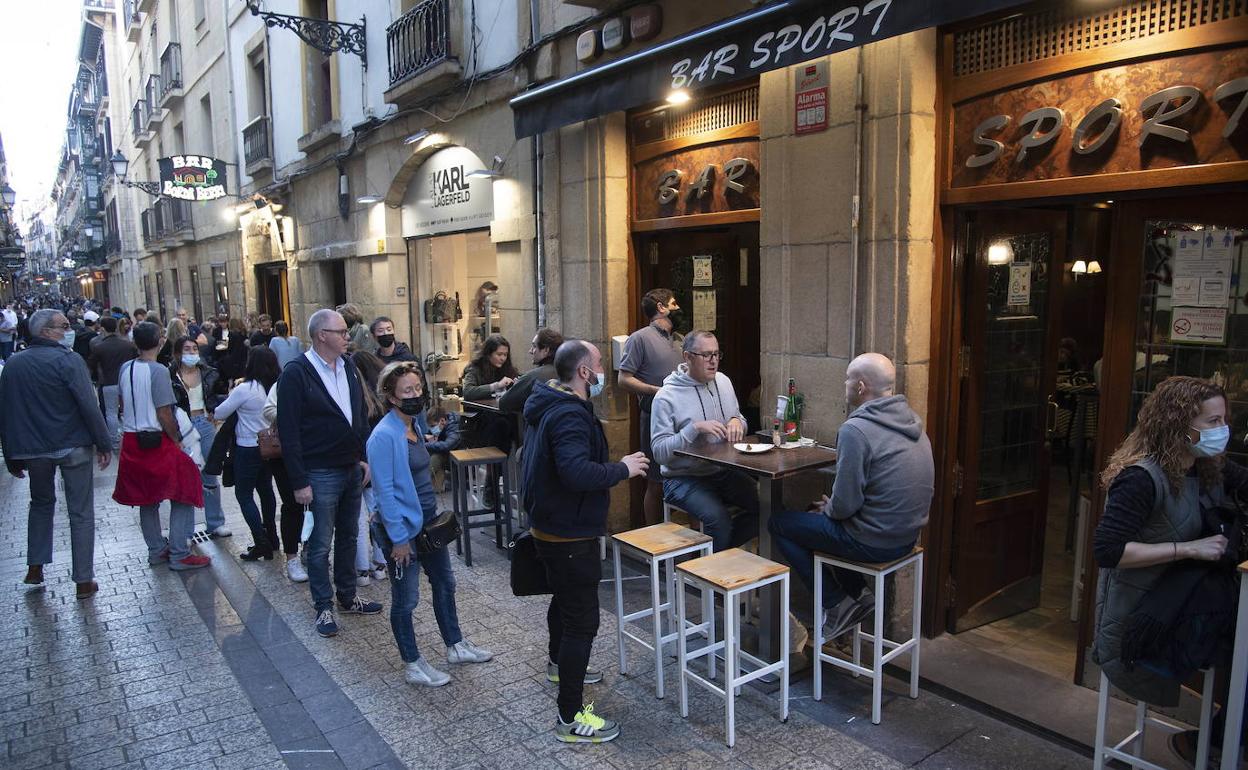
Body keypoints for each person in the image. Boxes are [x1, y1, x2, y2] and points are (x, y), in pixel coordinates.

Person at [1093, 376, 1246, 760]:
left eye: (1224, 420)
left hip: (1185, 599)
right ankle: (1220, 742)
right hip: (1147, 614)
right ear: (1179, 425)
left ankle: (1222, 739)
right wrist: (1188, 548)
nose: (1222, 430)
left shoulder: (1208, 466)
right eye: (1212, 422)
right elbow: (1108, 551)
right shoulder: (1141, 478)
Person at [522, 340, 648, 743]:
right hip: (568, 533)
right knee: (583, 623)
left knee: (564, 603)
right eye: (598, 365)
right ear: (583, 373)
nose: (602, 373)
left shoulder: (551, 403)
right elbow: (575, 472)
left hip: (555, 526)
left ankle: (558, 666)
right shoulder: (568, 417)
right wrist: (621, 470)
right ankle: (571, 718)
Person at [769, 353, 934, 640]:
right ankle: (860, 594)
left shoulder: (856, 430)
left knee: (780, 523)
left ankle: (836, 604)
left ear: (860, 387)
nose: (844, 384)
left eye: (847, 378)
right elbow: (848, 505)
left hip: (873, 541)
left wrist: (830, 508)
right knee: (823, 523)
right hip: (906, 538)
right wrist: (832, 508)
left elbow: (845, 506)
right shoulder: (912, 422)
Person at [368, 361, 494, 687]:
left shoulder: (413, 425)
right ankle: (412, 662)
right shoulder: (383, 436)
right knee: (406, 598)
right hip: (401, 529)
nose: (415, 395)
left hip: (428, 523)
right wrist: (398, 540)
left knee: (445, 583)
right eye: (407, 391)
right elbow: (385, 493)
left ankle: (455, 645)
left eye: (418, 388)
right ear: (391, 397)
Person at [276, 308, 383, 637]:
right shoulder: (297, 373)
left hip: (351, 467)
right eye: (341, 332)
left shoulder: (349, 366)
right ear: (322, 335)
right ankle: (323, 606)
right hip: (319, 471)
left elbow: (359, 416)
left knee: (350, 536)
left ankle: (348, 596)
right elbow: (289, 431)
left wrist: (363, 458)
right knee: (321, 543)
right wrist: (299, 481)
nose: (347, 336)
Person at [0, 309, 113, 599]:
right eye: (64, 326)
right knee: (80, 511)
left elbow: (7, 413)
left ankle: (35, 565)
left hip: (35, 450)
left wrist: (12, 455)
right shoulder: (69, 360)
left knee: (40, 503)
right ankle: (83, 580)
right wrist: (103, 442)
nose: (69, 330)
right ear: (47, 331)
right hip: (72, 444)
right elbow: (88, 404)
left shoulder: (14, 364)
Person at [113, 322, 210, 571]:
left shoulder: (126, 367)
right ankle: (179, 552)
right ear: (159, 342)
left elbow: (123, 402)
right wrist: (176, 438)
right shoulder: (157, 371)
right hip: (156, 439)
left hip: (132, 440)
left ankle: (156, 549)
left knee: (147, 498)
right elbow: (164, 411)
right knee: (185, 489)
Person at [650, 330, 759, 553]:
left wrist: (738, 422)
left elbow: (739, 419)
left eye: (717, 354)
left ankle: (711, 560)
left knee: (769, 509)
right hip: (682, 478)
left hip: (722, 470)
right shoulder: (666, 397)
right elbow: (659, 453)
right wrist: (693, 429)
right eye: (706, 355)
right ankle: (712, 577)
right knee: (718, 521)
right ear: (687, 357)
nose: (713, 361)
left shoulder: (724, 382)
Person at [618, 289, 685, 526]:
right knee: (656, 480)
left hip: (683, 418)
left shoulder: (680, 340)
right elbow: (624, 379)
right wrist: (657, 391)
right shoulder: (640, 338)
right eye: (674, 303)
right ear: (661, 307)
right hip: (655, 417)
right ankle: (653, 538)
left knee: (689, 477)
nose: (678, 308)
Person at [213, 347, 281, 560]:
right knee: (266, 491)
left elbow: (220, 412)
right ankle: (272, 536)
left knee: (244, 494)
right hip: (271, 448)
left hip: (248, 447)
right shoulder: (277, 386)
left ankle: (260, 541)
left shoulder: (246, 389)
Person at [169, 335, 232, 539]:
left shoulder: (208, 373)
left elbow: (219, 394)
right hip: (182, 427)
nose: (191, 353)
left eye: (194, 349)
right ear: (178, 353)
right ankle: (186, 530)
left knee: (210, 473)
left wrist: (215, 411)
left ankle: (215, 522)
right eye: (187, 349)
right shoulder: (171, 376)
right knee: (185, 477)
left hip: (204, 424)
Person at [461, 334, 518, 507]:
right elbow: (468, 392)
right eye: (499, 354)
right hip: (479, 423)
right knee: (501, 432)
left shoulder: (508, 369)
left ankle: (492, 484)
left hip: (501, 423)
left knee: (506, 429)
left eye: (505, 354)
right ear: (488, 353)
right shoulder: (475, 368)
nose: (502, 358)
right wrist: (495, 386)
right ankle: (491, 485)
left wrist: (517, 383)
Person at [261, 380, 307, 582]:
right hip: (286, 453)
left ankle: (309, 549)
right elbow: (269, 410)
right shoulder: (288, 379)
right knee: (292, 505)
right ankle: (292, 557)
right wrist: (296, 415)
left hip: (314, 451)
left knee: (315, 506)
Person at [89, 316, 138, 450]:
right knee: (129, 409)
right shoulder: (128, 345)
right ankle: (131, 434)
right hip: (128, 380)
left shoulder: (99, 347)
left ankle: (115, 440)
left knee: (111, 412)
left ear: (103, 329)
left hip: (109, 382)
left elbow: (91, 365)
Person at [499, 328, 563, 421]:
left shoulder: (534, 376)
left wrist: (517, 386)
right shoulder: (569, 373)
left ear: (546, 350)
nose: (530, 351)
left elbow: (504, 403)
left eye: (534, 346)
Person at [424, 407, 462, 493]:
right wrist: (424, 438)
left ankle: (421, 483)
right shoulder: (443, 424)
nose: (432, 429)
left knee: (436, 456)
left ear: (442, 421)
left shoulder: (455, 427)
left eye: (433, 426)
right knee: (432, 451)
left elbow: (447, 445)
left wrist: (424, 445)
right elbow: (428, 436)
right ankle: (435, 486)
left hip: (461, 464)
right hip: (450, 458)